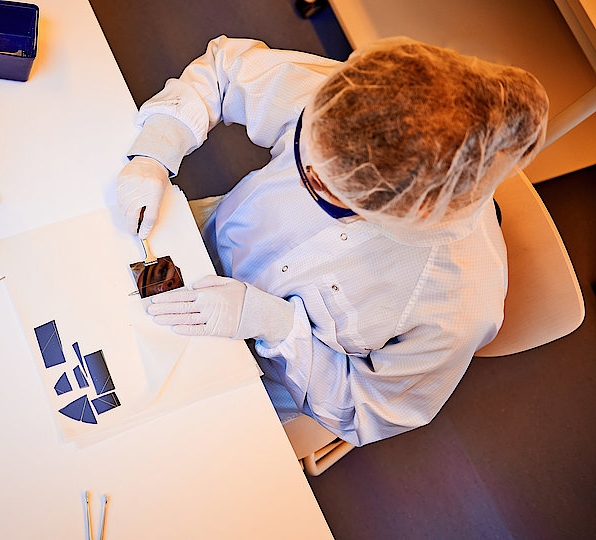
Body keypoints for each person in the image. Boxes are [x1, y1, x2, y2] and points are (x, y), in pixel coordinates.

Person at [116, 36, 549, 446]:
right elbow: (226, 72)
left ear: (403, 216)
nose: (305, 174)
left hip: (250, 385)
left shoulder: (459, 304)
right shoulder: (364, 102)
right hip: (186, 247)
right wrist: (155, 150)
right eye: (305, 151)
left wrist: (274, 325)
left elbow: (369, 412)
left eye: (321, 189)